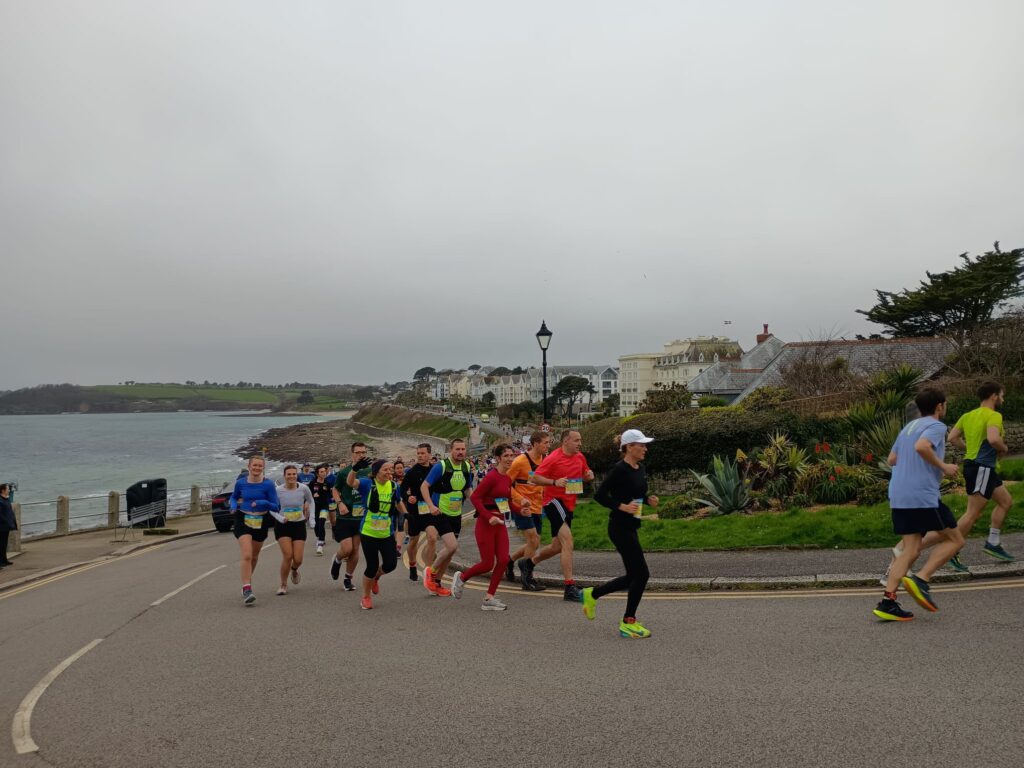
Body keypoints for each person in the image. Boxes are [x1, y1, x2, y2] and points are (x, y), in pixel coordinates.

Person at [873, 388, 965, 621]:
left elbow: (892, 459)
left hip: (899, 494)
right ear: (939, 406)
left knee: (911, 550)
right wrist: (943, 467)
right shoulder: (936, 426)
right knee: (955, 540)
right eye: (945, 404)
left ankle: (887, 602)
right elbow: (922, 447)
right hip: (922, 496)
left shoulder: (908, 427)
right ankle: (921, 579)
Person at [581, 430, 658, 638]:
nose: (645, 449)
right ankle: (628, 621)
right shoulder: (619, 469)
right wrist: (621, 506)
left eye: (645, 445)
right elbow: (600, 495)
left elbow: (637, 492)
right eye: (641, 445)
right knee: (641, 574)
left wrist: (648, 499)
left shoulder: (640, 468)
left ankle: (592, 594)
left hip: (632, 525)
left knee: (634, 575)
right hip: (619, 527)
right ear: (629, 447)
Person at [520, 429, 594, 602]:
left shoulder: (580, 457)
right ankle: (569, 587)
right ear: (566, 441)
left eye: (580, 440)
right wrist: (554, 482)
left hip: (569, 504)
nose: (580, 443)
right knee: (568, 541)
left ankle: (528, 563)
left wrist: (588, 475)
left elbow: (585, 473)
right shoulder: (553, 458)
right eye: (576, 440)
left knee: (557, 546)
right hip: (553, 502)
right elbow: (535, 478)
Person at [451, 443, 527, 611]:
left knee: (504, 560)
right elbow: (475, 498)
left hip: (500, 523)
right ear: (498, 458)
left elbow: (506, 502)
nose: (510, 459)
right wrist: (489, 516)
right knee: (487, 564)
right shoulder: (492, 477)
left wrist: (520, 510)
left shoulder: (507, 478)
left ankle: (489, 598)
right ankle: (462, 578)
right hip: (486, 524)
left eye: (511, 455)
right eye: (506, 456)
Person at [949, 381, 1014, 562]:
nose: (1002, 399)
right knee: (973, 513)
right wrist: (1004, 448)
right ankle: (950, 550)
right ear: (994, 396)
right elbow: (993, 439)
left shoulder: (967, 415)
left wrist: (969, 448)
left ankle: (993, 542)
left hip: (983, 468)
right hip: (982, 467)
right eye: (1001, 395)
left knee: (1006, 502)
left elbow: (952, 437)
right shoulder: (994, 415)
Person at [420, 438, 475, 596]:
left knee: (450, 552)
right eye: (457, 449)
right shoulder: (441, 466)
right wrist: (431, 506)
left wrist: (479, 506)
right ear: (451, 450)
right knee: (452, 546)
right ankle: (431, 572)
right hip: (440, 512)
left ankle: (437, 583)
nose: (460, 452)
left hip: (456, 513)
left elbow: (467, 490)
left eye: (463, 449)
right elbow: (424, 486)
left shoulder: (466, 466)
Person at [347, 459, 404, 610]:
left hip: (386, 533)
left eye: (390, 469)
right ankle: (366, 597)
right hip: (369, 532)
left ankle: (376, 578)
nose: (389, 472)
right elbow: (351, 483)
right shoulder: (367, 484)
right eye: (385, 469)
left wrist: (406, 514)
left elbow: (398, 502)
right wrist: (354, 469)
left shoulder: (394, 486)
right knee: (371, 566)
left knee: (391, 564)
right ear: (376, 471)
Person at [230, 456, 281, 605]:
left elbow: (276, 506)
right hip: (243, 519)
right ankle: (247, 588)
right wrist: (233, 506)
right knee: (247, 554)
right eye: (255, 465)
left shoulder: (268, 484)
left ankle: (246, 582)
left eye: (260, 466)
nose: (257, 468)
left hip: (261, 520)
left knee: (254, 556)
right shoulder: (241, 483)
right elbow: (233, 498)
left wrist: (262, 502)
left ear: (263, 468)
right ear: (249, 466)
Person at [506, 430, 550, 591]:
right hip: (522, 507)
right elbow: (505, 484)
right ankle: (527, 578)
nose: (548, 446)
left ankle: (510, 561)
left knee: (535, 543)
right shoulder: (519, 461)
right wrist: (520, 500)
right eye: (545, 443)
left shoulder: (545, 460)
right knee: (533, 540)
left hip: (538, 506)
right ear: (535, 443)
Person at [331, 443, 372, 592]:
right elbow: (335, 490)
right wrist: (340, 503)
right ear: (352, 454)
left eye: (363, 452)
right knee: (347, 549)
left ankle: (348, 578)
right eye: (358, 452)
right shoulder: (344, 472)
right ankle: (337, 560)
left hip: (361, 517)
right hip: (345, 516)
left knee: (355, 550)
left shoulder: (369, 471)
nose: (361, 455)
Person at [273, 465, 314, 595]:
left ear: (297, 475)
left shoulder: (303, 488)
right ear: (284, 476)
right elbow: (271, 507)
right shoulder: (277, 490)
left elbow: (311, 501)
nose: (291, 476)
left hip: (298, 525)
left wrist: (311, 518)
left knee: (298, 559)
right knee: (288, 555)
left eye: (294, 474)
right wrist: (279, 518)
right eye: (289, 474)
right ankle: (283, 585)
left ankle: (294, 569)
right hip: (283, 525)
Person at [400, 443, 434, 582]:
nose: (420, 456)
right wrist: (408, 497)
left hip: (430, 510)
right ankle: (413, 565)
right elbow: (402, 489)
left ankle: (428, 570)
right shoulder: (412, 471)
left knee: (432, 537)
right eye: (418, 453)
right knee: (414, 541)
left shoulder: (434, 470)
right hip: (415, 511)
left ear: (429, 455)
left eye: (422, 453)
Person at [309, 463, 333, 556]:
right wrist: (313, 495)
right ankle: (318, 537)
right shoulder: (312, 483)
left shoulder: (328, 483)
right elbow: (308, 495)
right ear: (317, 473)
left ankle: (320, 543)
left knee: (322, 522)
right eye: (321, 472)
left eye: (324, 471)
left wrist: (333, 498)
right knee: (316, 524)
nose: (324, 473)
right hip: (315, 506)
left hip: (324, 506)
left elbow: (331, 494)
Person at [0, 483, 17, 568]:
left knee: (4, 543)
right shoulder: (0, 500)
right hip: (2, 526)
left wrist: (12, 522)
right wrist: (6, 521)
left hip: (6, 526)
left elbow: (9, 512)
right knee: (1, 544)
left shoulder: (6, 499)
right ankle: (1, 562)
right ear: (3, 490)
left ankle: (4, 560)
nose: (9, 490)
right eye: (7, 489)